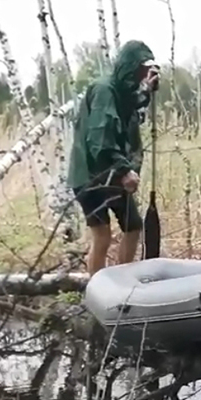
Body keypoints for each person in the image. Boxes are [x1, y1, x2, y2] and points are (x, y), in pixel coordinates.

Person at [68, 39, 161, 276]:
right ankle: (98, 291)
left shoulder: (119, 92)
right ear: (129, 67)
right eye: (141, 68)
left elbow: (127, 106)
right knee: (102, 236)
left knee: (132, 227)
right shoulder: (103, 90)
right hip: (92, 176)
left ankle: (122, 285)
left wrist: (145, 91)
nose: (143, 74)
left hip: (111, 174)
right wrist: (124, 170)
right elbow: (100, 140)